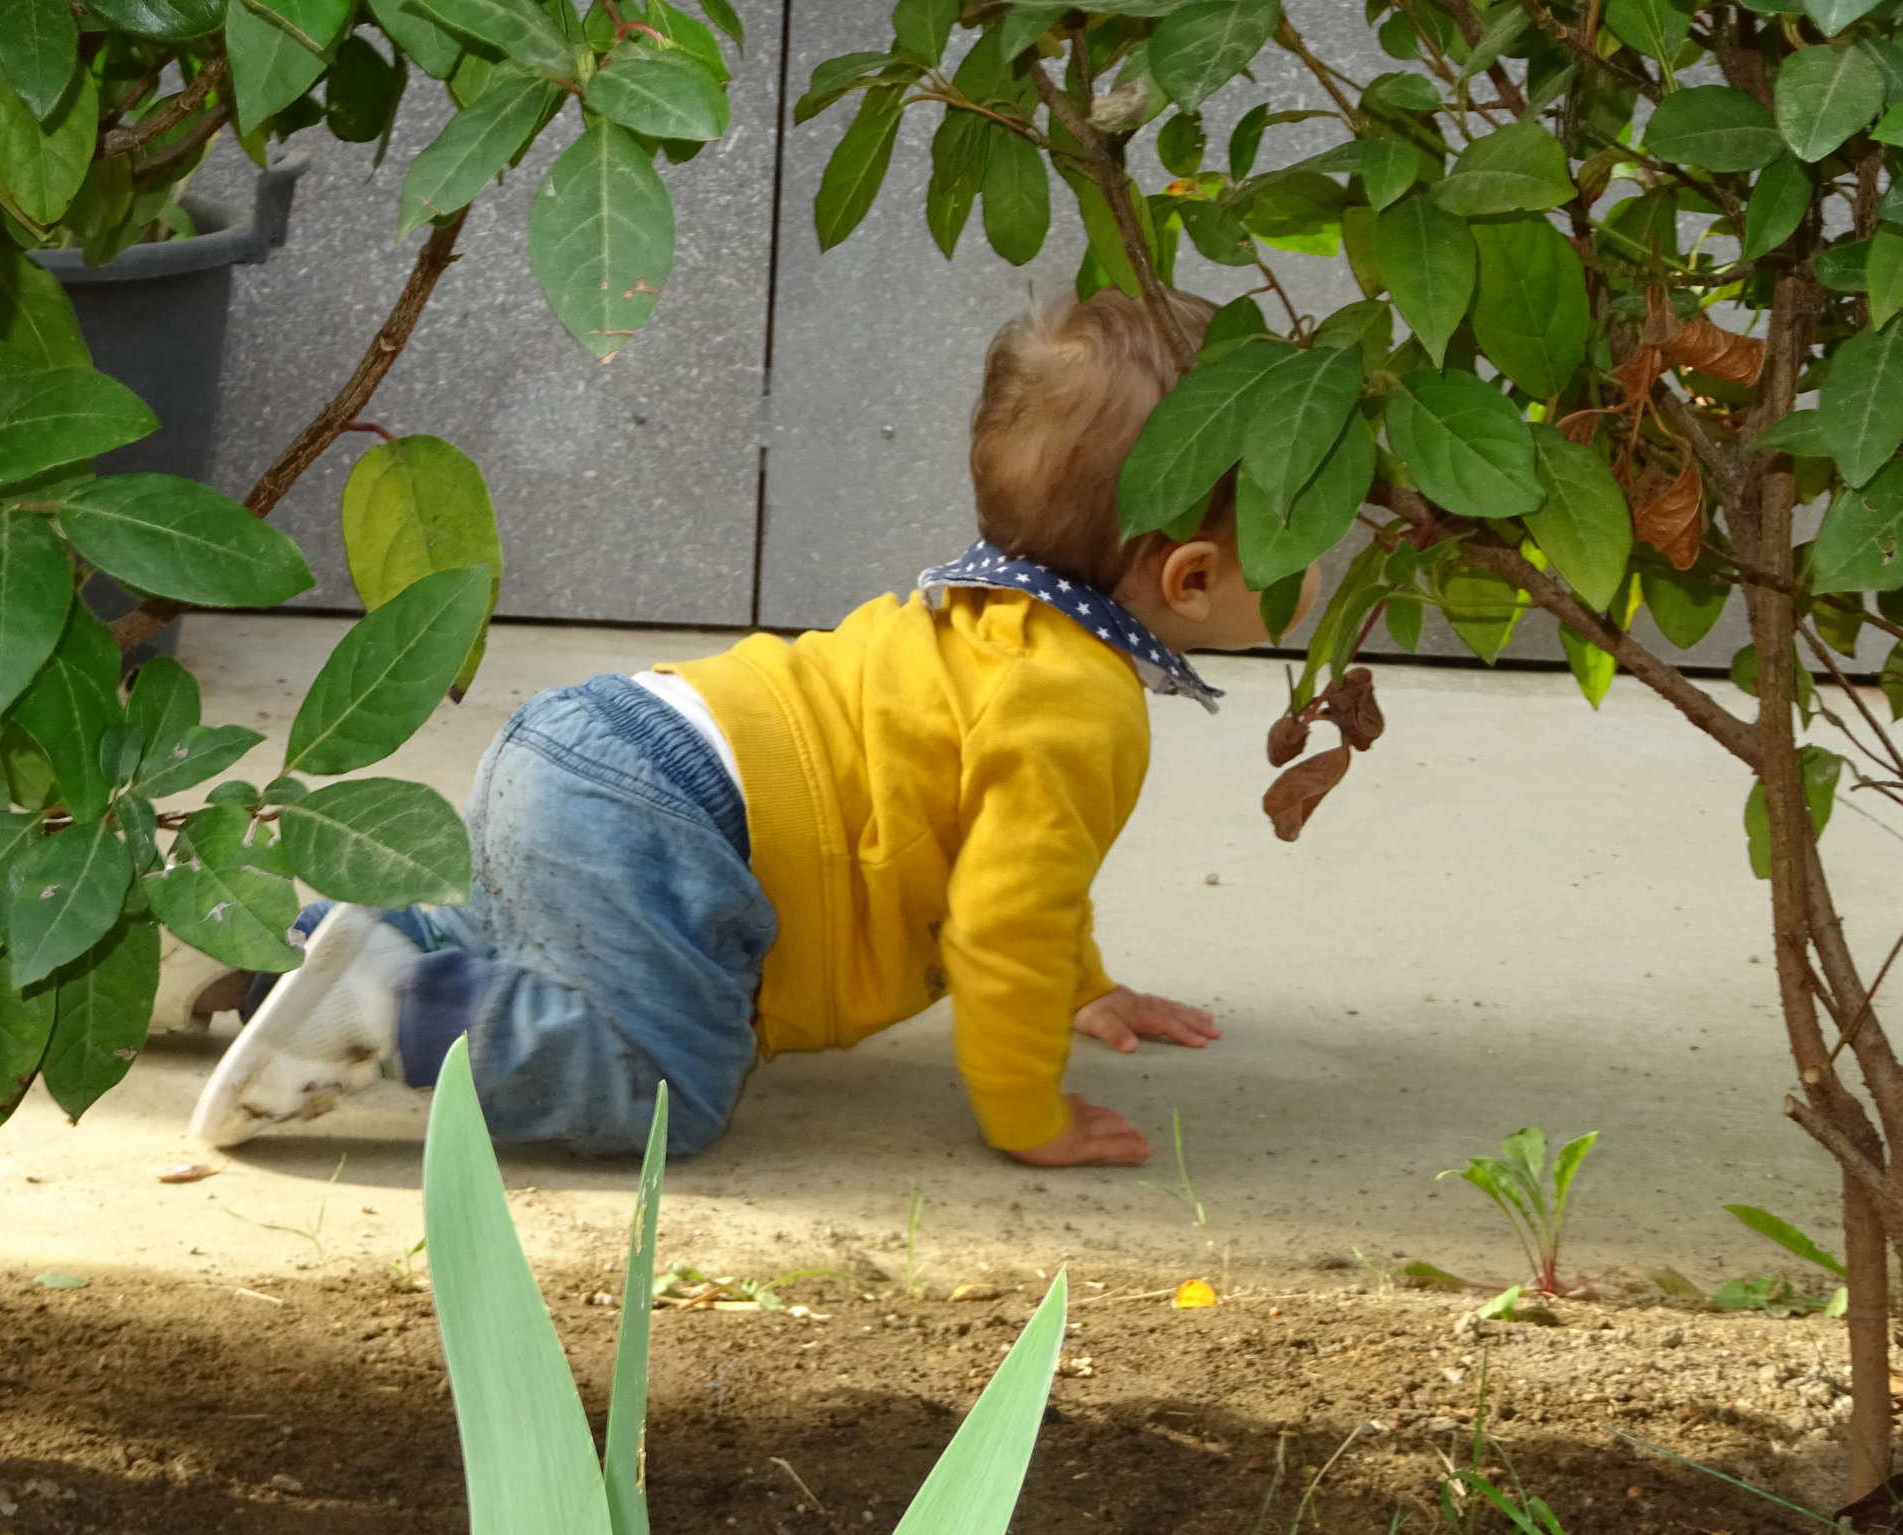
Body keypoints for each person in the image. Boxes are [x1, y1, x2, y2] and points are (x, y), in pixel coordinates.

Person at [180, 288, 1321, 1167]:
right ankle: (386, 1011)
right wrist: (1027, 1111)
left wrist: (1082, 985)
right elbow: (1004, 916)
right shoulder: (1080, 705)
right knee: (666, 1079)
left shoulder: (983, 614)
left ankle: (252, 947)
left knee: (508, 939)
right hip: (673, 824)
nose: (1325, 554)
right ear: (1194, 574)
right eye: (1305, 525)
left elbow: (1003, 847)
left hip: (602, 746)